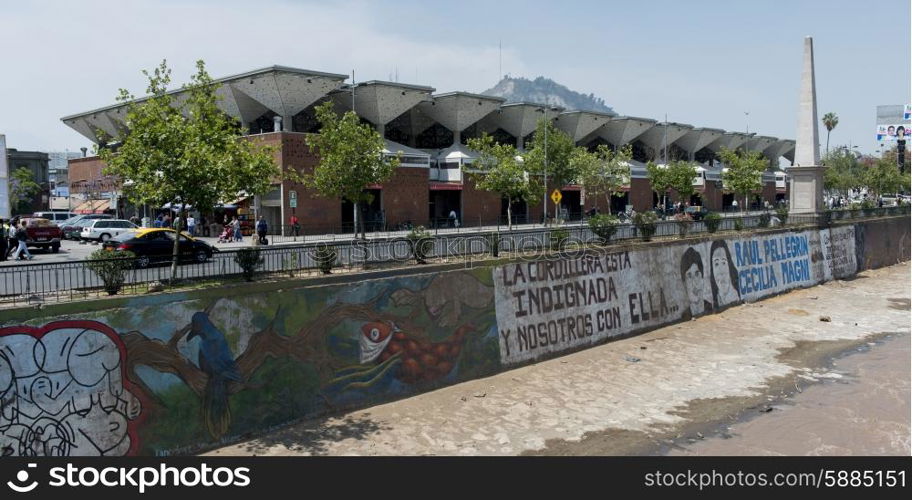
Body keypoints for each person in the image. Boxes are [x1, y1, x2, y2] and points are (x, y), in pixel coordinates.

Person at [680, 247, 712, 319]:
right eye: (689, 276)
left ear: (702, 279)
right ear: (684, 284)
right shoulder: (685, 315)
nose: (694, 283)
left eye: (697, 274)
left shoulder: (711, 308)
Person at [709, 240, 740, 309]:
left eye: (724, 263)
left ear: (730, 266)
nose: (721, 272)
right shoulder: (716, 300)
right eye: (716, 264)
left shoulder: (736, 296)